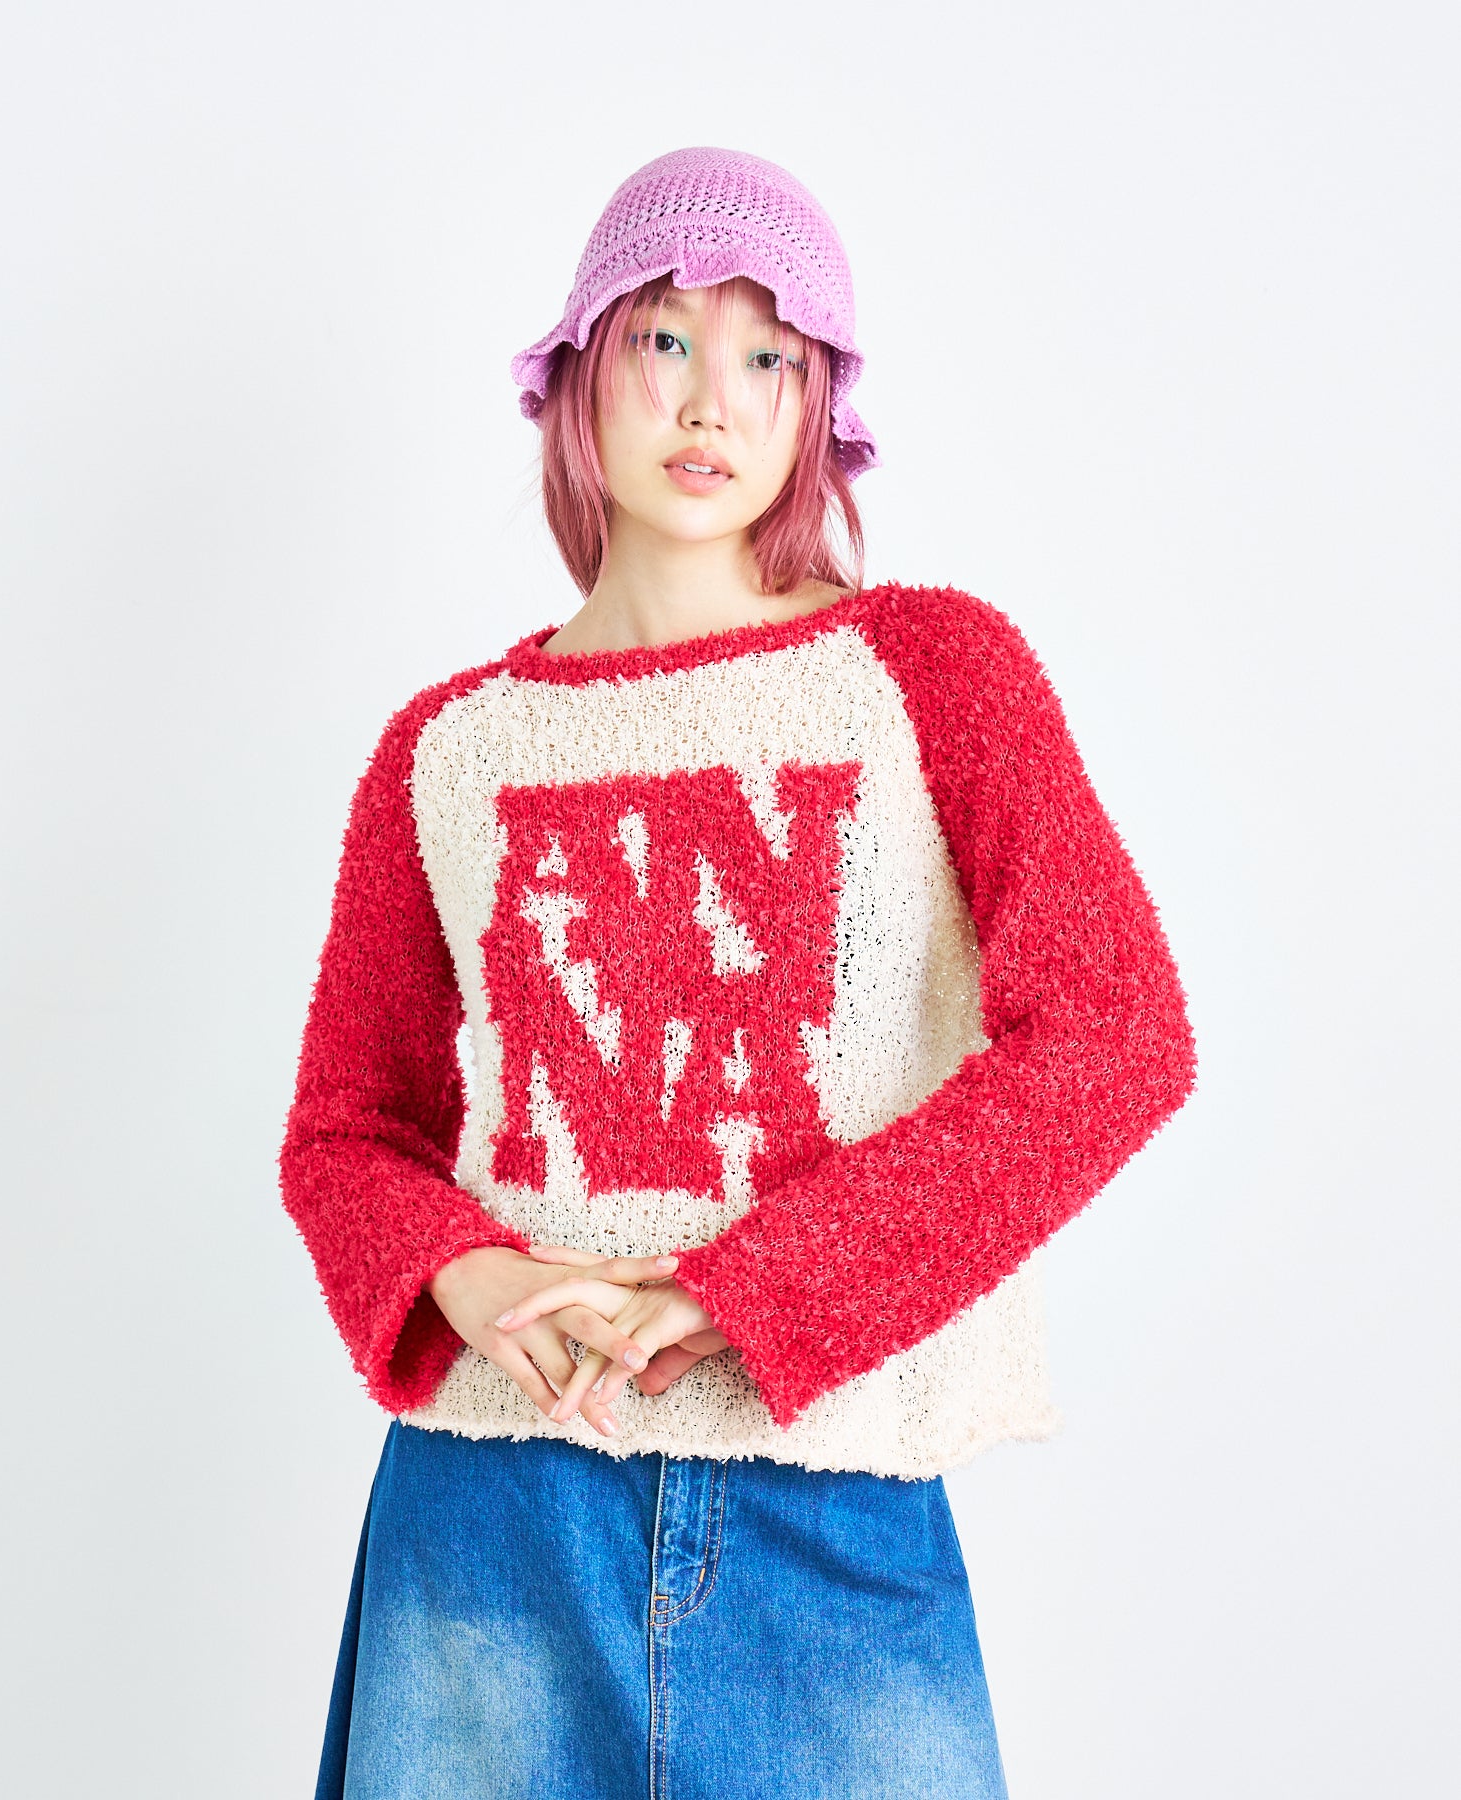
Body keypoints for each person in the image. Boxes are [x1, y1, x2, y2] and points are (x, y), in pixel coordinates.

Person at [280, 144, 1197, 1800]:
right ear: (579, 373)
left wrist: (763, 1287)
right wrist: (464, 1279)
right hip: (492, 1507)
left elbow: (1116, 1033)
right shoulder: (448, 750)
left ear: (818, 404)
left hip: (825, 1502)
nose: (714, 399)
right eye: (666, 339)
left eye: (771, 355)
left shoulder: (931, 673)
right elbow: (347, 1131)